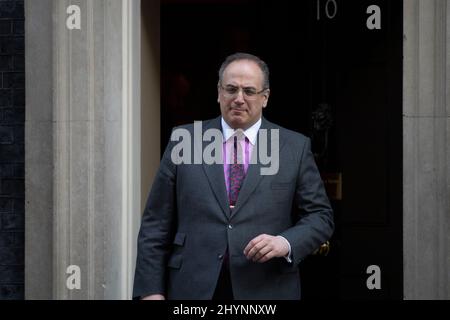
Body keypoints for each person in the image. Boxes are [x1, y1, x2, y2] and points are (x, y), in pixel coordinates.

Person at [133, 52, 334, 300]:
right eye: (231, 89)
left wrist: (286, 242)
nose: (239, 98)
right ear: (219, 93)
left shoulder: (294, 147)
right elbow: (156, 224)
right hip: (192, 287)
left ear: (265, 97)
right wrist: (150, 292)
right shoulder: (184, 141)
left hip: (266, 288)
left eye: (249, 91)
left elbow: (320, 216)